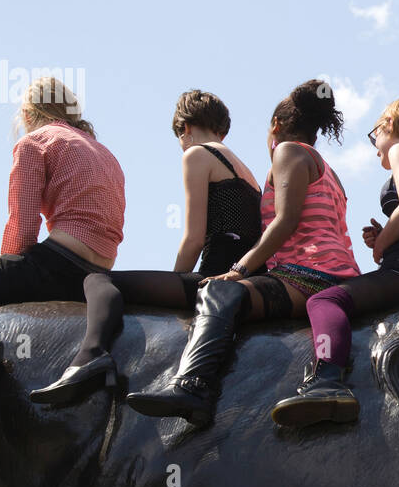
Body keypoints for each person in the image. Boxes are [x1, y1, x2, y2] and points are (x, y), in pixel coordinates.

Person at [126, 79, 360, 426]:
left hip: (308, 274)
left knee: (218, 289)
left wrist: (240, 268)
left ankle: (193, 385)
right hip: (337, 272)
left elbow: (285, 221)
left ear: (276, 127)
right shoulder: (331, 172)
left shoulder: (287, 152)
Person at [28, 90, 263, 405]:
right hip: (249, 277)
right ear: (222, 129)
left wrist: (174, 283)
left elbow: (194, 238)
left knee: (99, 280)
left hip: (216, 278)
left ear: (185, 128)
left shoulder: (197, 154)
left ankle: (91, 355)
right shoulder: (247, 173)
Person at [271, 96, 399, 428]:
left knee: (325, 299)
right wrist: (392, 238)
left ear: (389, 126)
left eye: (376, 137)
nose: (377, 150)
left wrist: (382, 245)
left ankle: (328, 379)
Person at [0, 76, 126, 314]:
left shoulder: (35, 142)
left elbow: (23, 225)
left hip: (61, 262)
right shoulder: (105, 153)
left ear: (27, 115)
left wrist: (6, 273)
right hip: (101, 270)